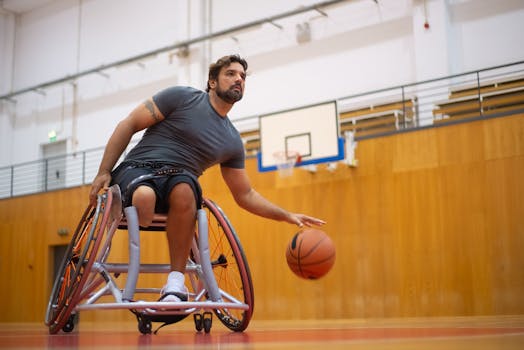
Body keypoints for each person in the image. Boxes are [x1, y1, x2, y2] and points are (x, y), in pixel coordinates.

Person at [89, 54, 325, 302]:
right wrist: (103, 171)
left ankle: (175, 284)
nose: (239, 79)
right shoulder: (181, 97)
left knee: (187, 190)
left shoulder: (232, 140)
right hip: (139, 168)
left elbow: (245, 195)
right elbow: (129, 124)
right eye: (231, 74)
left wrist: (286, 215)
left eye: (243, 76)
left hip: (179, 181)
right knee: (145, 199)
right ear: (212, 82)